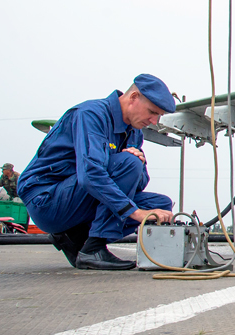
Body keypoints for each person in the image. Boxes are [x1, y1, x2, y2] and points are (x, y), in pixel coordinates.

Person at [17, 74, 176, 270]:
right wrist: (135, 212)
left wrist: (140, 162)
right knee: (128, 165)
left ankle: (76, 237)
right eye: (152, 112)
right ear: (134, 97)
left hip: (77, 200)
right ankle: (93, 248)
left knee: (160, 208)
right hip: (47, 201)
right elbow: (90, 175)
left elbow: (137, 184)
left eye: (158, 116)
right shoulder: (91, 114)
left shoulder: (133, 131)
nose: (153, 121)